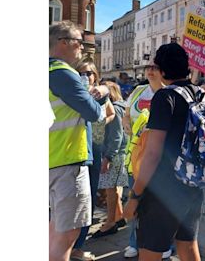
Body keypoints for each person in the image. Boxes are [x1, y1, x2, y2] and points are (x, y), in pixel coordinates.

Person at [123, 43, 203, 261]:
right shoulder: (197, 93)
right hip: (192, 184)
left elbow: (152, 153)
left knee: (150, 252)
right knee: (188, 247)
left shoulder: (164, 97)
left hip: (164, 189)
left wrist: (135, 195)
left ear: (162, 69)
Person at [49, 21, 110, 261]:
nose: (82, 48)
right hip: (68, 160)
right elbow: (94, 113)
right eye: (79, 42)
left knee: (55, 230)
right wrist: (103, 93)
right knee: (67, 233)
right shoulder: (62, 73)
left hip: (54, 158)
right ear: (63, 43)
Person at [121, 62, 168, 259]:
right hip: (136, 156)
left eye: (156, 67)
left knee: (160, 204)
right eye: (148, 67)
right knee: (136, 200)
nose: (151, 70)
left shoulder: (168, 93)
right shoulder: (139, 90)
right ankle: (135, 241)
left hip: (161, 157)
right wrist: (127, 127)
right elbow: (126, 113)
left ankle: (164, 244)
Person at [71, 59, 115, 261]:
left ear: (96, 75)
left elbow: (111, 113)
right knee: (73, 200)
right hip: (74, 149)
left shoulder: (100, 95)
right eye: (82, 72)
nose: (86, 76)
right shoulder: (74, 92)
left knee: (88, 198)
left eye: (89, 73)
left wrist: (99, 124)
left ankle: (78, 245)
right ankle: (70, 244)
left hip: (95, 149)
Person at [92, 81, 129, 238]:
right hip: (119, 153)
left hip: (113, 154)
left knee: (111, 189)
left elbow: (116, 136)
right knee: (114, 187)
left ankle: (110, 222)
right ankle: (119, 216)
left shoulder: (114, 110)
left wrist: (108, 157)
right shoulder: (122, 107)